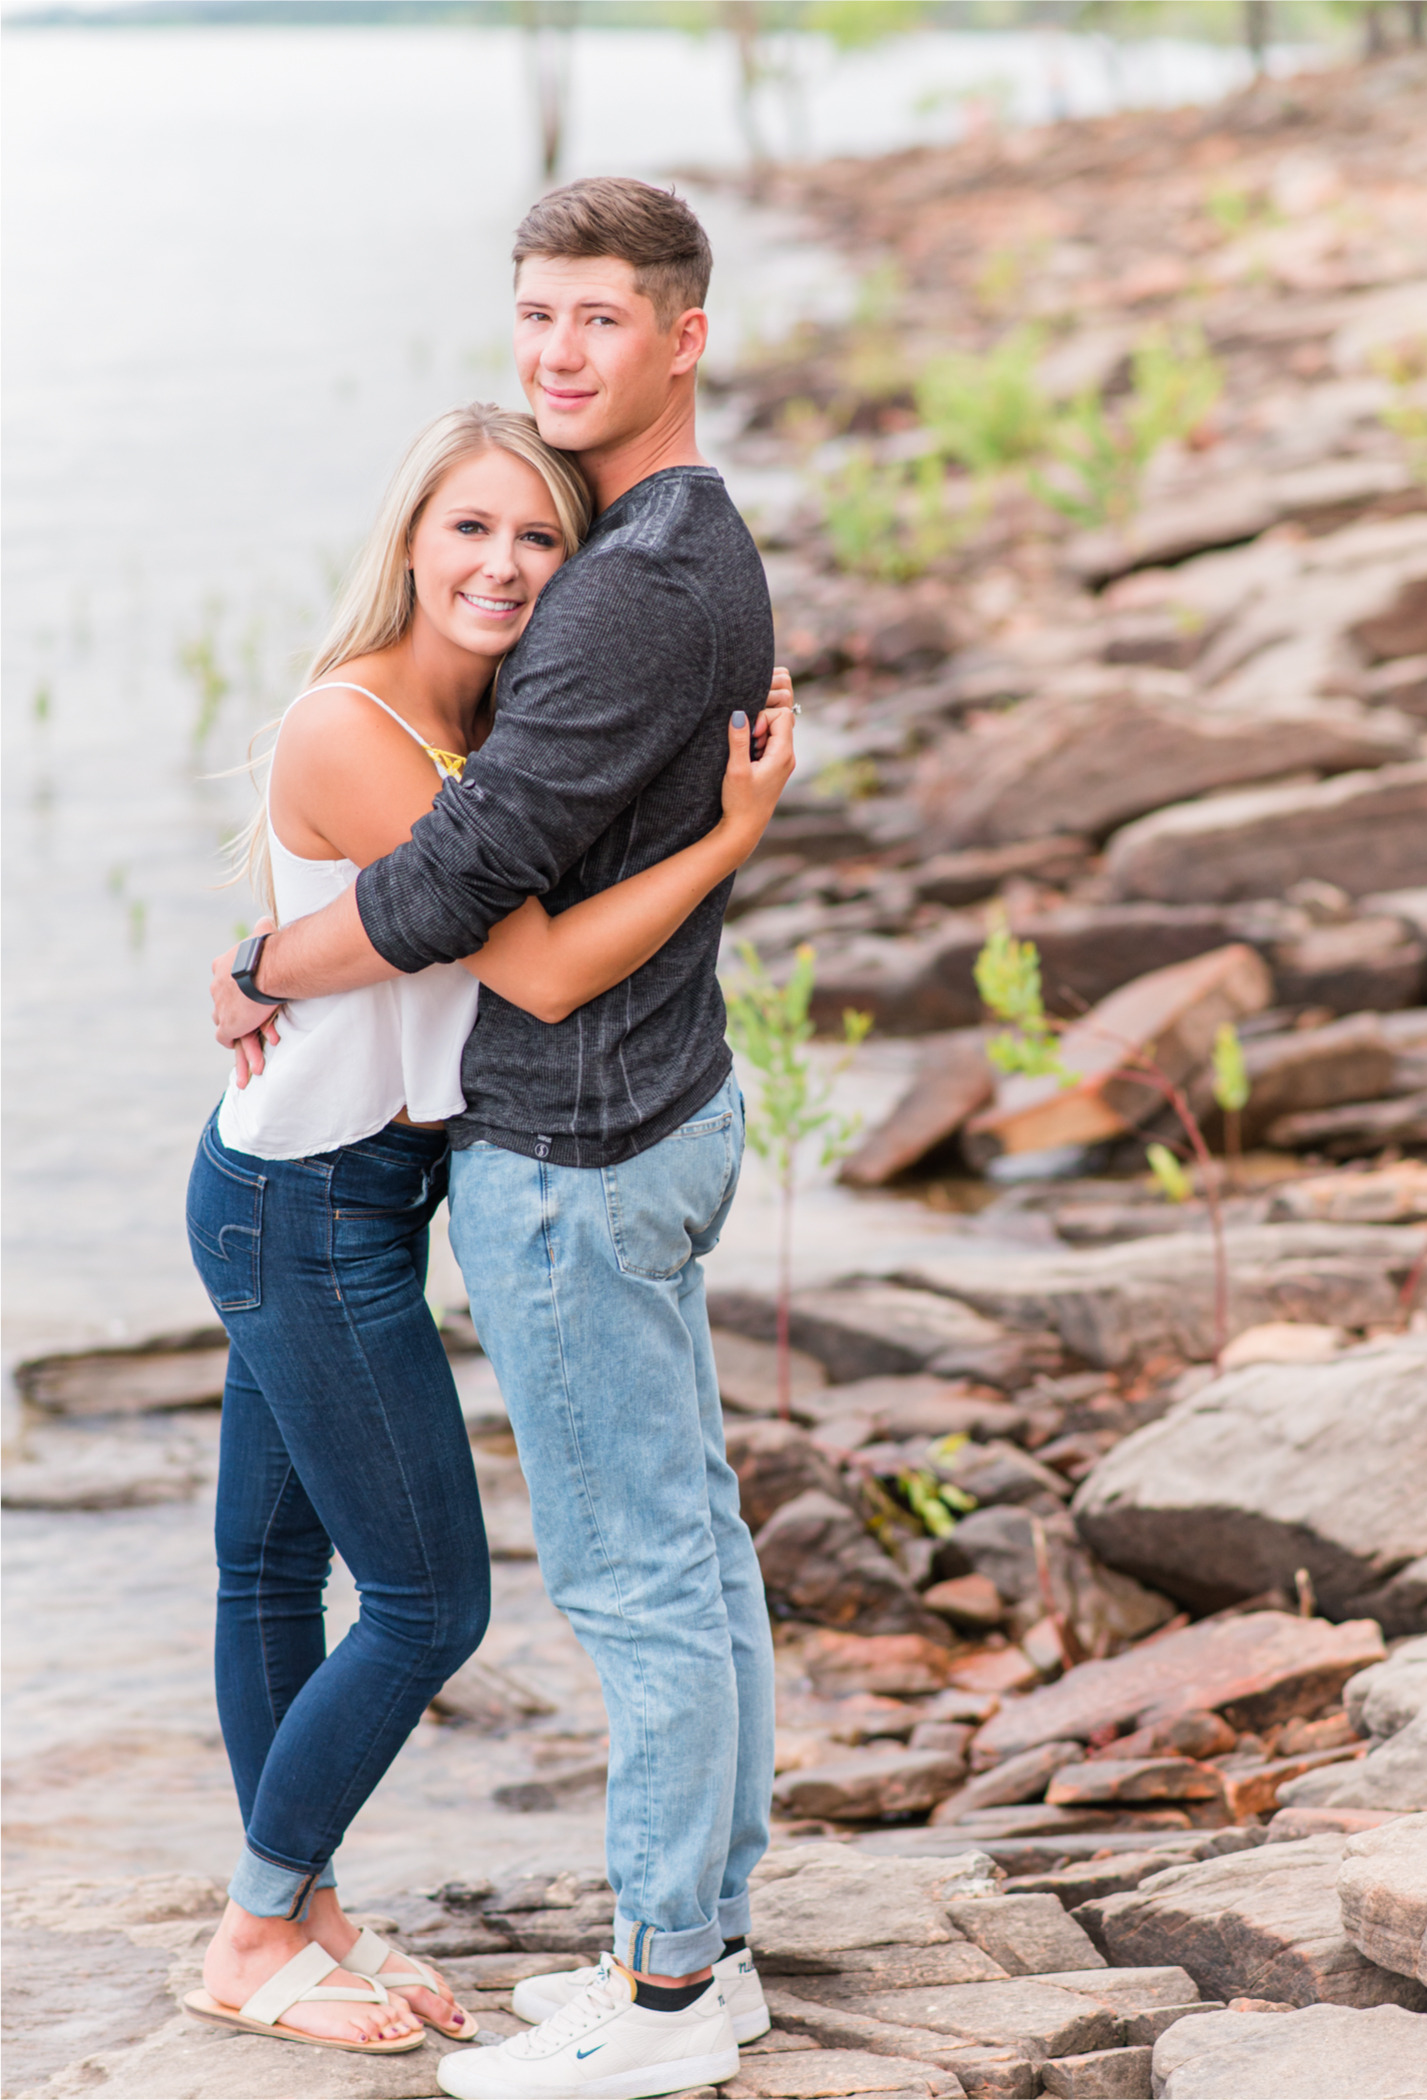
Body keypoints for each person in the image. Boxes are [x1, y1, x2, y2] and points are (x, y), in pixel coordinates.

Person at [209, 177, 786, 2100]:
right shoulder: (633, 567)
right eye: (536, 315)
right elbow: (474, 895)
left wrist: (254, 954)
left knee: (597, 1576)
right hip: (359, 1187)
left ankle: (663, 1985)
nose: (558, 354)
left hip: (509, 1168)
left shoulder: (622, 584)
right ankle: (288, 1929)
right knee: (421, 1578)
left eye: (600, 318)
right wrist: (262, 957)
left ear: (682, 336)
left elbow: (487, 923)